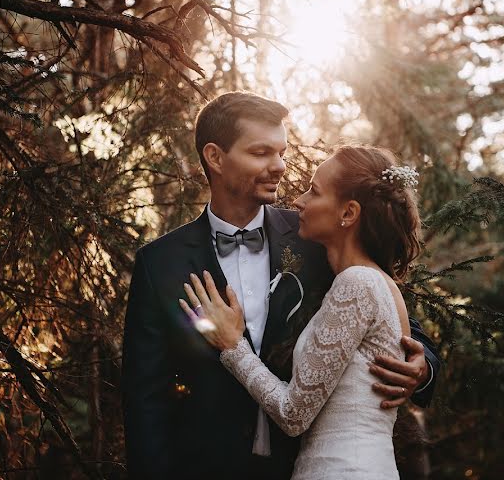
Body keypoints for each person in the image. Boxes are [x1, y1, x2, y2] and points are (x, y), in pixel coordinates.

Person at [122, 92, 440, 479]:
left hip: (303, 464)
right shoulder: (161, 264)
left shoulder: (317, 239)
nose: (279, 166)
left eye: (281, 152)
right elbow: (146, 401)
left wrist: (422, 370)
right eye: (261, 153)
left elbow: (398, 325)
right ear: (215, 157)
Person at [182, 144, 425, 479]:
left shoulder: (357, 283)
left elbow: (293, 414)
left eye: (314, 191)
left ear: (349, 213)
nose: (299, 202)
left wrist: (232, 346)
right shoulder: (376, 283)